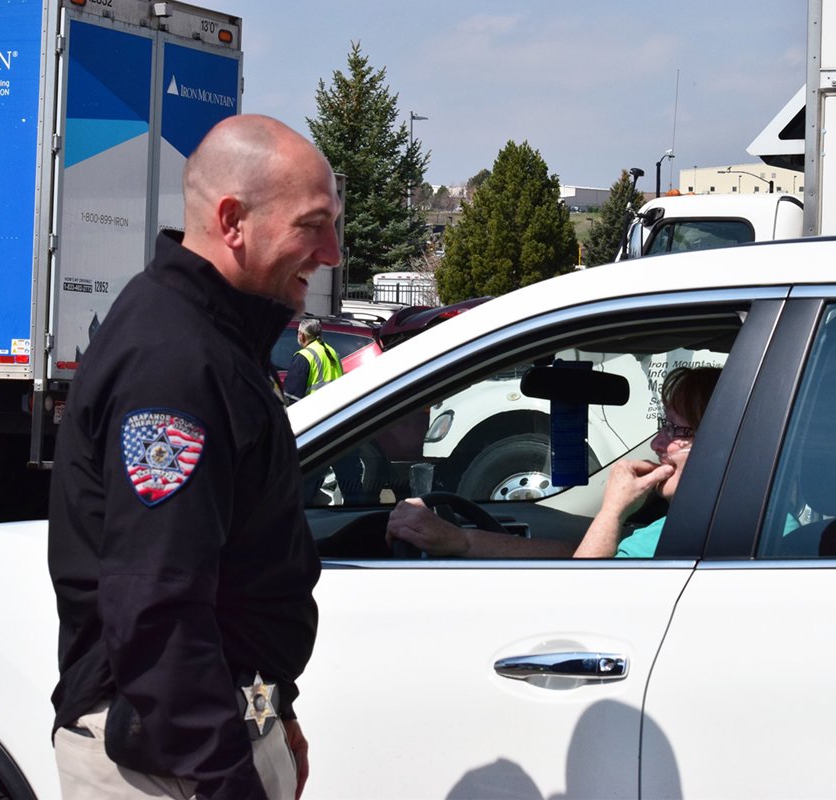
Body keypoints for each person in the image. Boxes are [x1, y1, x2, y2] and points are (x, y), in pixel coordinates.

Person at [48, 115, 341, 800]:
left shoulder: (211, 337)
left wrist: (275, 712)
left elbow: (241, 572)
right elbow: (157, 608)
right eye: (312, 224)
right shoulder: (175, 364)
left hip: (208, 741)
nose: (330, 252)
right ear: (233, 219)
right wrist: (227, 779)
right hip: (170, 765)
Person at [385, 366, 722, 559]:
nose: (656, 444)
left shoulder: (694, 535)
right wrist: (463, 541)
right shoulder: (700, 524)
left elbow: (582, 589)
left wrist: (612, 511)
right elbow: (580, 554)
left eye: (676, 429)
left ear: (723, 441)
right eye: (661, 426)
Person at [283, 318, 342, 403]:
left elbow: (292, 397)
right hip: (335, 409)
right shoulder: (332, 352)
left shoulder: (304, 356)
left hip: (314, 411)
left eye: (298, 332)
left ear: (302, 335)